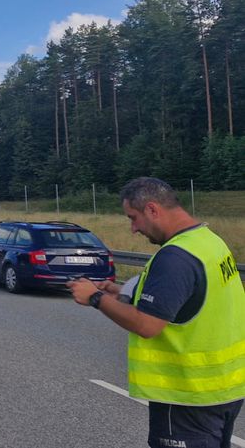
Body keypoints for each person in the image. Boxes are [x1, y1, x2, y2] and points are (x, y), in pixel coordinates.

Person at [69, 177, 244, 448]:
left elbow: (148, 324)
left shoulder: (175, 257)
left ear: (152, 209)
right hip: (223, 392)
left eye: (133, 218)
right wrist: (120, 293)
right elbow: (189, 298)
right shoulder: (207, 241)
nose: (133, 229)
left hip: (186, 396)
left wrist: (96, 297)